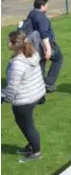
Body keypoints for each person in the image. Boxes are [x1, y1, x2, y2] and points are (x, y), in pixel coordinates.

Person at [2, 30, 46, 163]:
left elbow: (13, 87)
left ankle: (36, 152)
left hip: (24, 100)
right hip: (34, 94)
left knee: (27, 125)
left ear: (15, 44)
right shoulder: (32, 53)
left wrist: (5, 98)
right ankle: (31, 145)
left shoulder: (17, 64)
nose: (7, 43)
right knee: (24, 123)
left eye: (9, 41)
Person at [26, 0, 63, 93]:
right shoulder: (41, 18)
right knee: (58, 59)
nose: (47, 7)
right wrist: (48, 49)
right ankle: (49, 83)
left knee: (41, 63)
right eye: (46, 5)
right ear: (42, 6)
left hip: (34, 45)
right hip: (45, 44)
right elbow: (44, 34)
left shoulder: (31, 13)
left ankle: (38, 86)